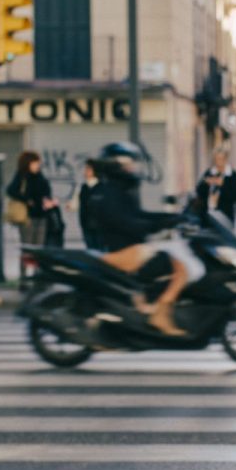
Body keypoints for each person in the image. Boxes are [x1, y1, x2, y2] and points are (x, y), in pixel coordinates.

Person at [92, 142, 192, 336]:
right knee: (179, 269)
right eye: (129, 164)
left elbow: (138, 216)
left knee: (173, 264)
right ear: (116, 165)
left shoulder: (116, 190)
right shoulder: (109, 193)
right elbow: (127, 223)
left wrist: (170, 218)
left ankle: (149, 306)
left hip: (131, 248)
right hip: (123, 252)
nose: (133, 169)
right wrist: (159, 224)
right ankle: (158, 315)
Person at [7, 150, 57, 254]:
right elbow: (11, 190)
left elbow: (46, 192)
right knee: (27, 248)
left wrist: (49, 201)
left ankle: (36, 270)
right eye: (35, 163)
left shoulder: (40, 176)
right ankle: (24, 270)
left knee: (39, 249)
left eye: (38, 163)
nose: (37, 165)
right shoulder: (21, 176)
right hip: (28, 217)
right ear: (28, 163)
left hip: (42, 216)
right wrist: (26, 200)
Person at [195, 149, 236, 225]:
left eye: (221, 159)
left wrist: (223, 185)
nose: (218, 161)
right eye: (216, 159)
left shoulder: (233, 175)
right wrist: (206, 183)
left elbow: (235, 196)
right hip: (208, 213)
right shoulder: (209, 172)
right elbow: (199, 191)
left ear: (226, 159)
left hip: (225, 214)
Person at [78, 158, 109, 250]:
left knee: (101, 253)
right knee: (91, 252)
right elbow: (82, 207)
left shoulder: (103, 187)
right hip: (87, 227)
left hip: (100, 229)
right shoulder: (84, 187)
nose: (85, 171)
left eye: (88, 169)